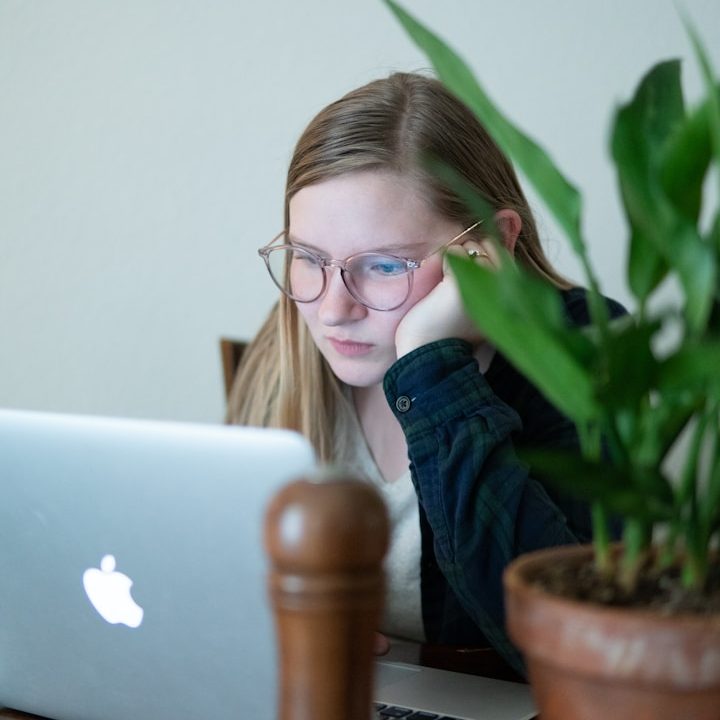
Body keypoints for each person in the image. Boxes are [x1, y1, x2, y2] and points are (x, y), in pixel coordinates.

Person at [228, 72, 625, 674]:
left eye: (384, 265)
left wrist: (428, 362)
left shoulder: (587, 360)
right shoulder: (288, 345)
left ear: (492, 244)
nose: (334, 308)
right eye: (308, 258)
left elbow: (576, 647)